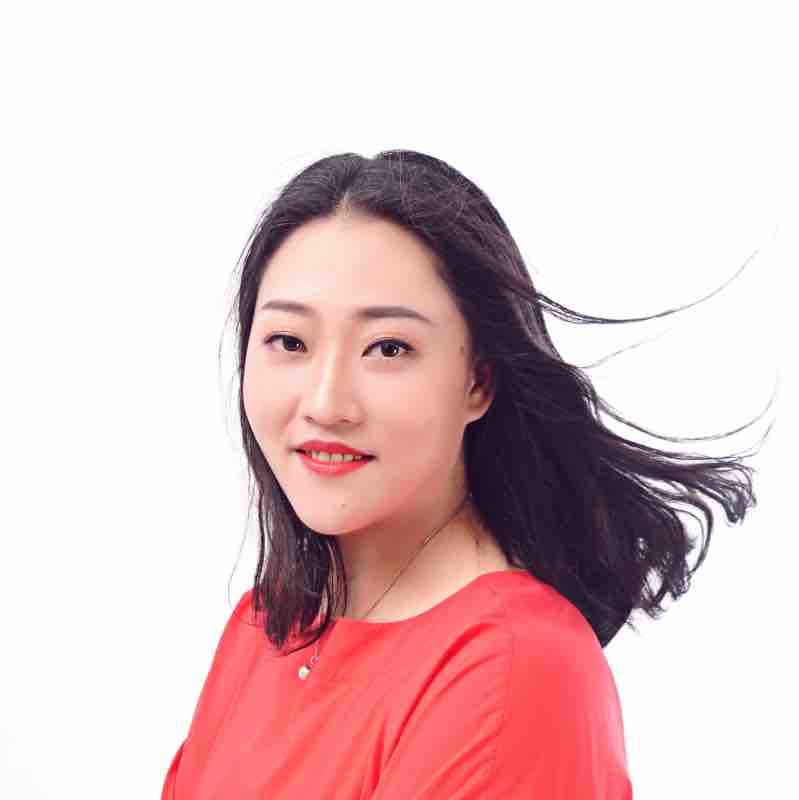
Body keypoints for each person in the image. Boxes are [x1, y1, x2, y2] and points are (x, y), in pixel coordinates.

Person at [161, 149, 760, 798]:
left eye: (388, 348)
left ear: (477, 380)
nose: (326, 403)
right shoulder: (266, 624)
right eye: (290, 342)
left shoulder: (513, 668)